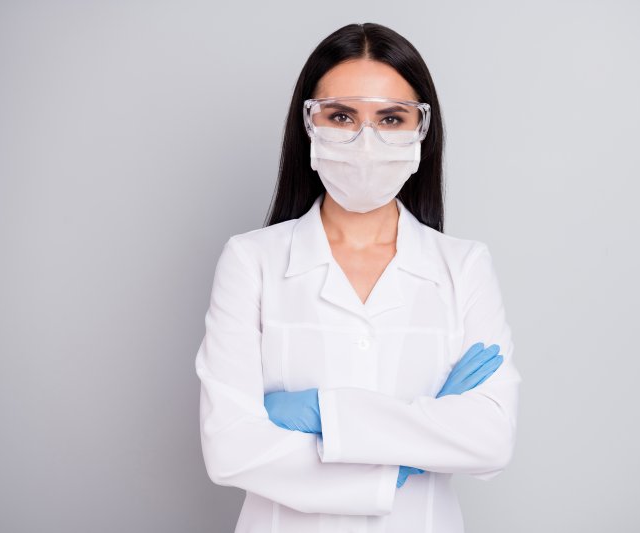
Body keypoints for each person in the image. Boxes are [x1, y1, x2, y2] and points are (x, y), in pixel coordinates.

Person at [194, 22, 522, 533]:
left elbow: (490, 439)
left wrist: (325, 413)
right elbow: (230, 447)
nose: (365, 141)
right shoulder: (251, 260)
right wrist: (417, 445)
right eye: (342, 115)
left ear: (421, 129)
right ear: (309, 124)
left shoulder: (463, 266)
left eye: (391, 117)